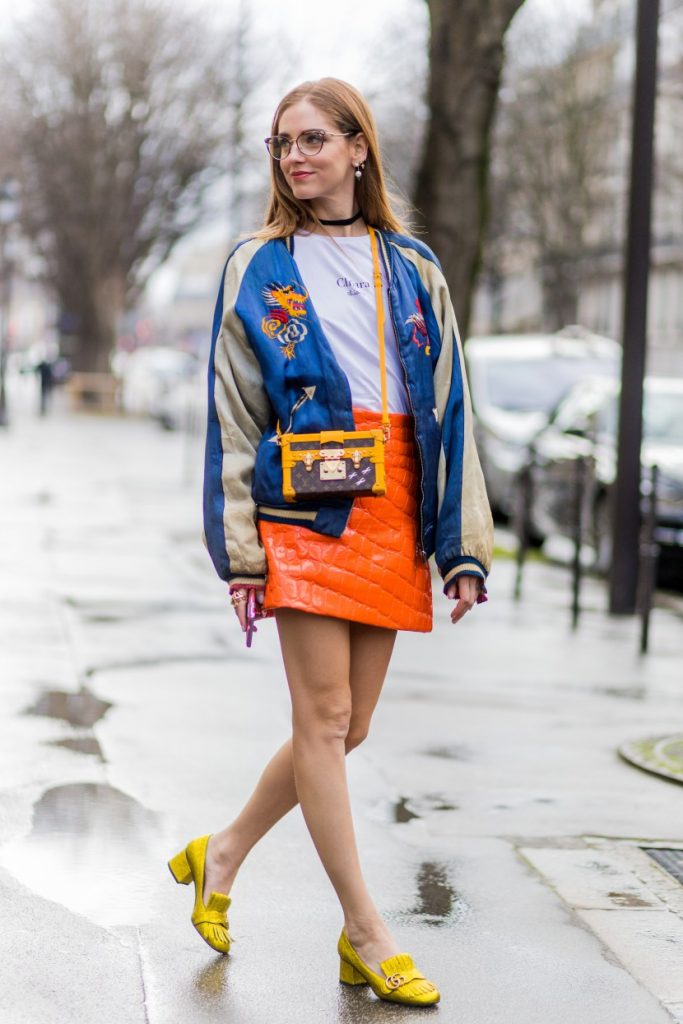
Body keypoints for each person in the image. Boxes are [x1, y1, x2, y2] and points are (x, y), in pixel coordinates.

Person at [168, 77, 493, 1008]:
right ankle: (364, 929)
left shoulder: (414, 266)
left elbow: (449, 410)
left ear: (359, 148)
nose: (295, 156)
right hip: (305, 509)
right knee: (321, 720)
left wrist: (459, 547)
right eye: (281, 143)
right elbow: (233, 417)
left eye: (312, 139)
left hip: (392, 506)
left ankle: (219, 852)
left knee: (349, 727)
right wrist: (240, 553)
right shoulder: (257, 265)